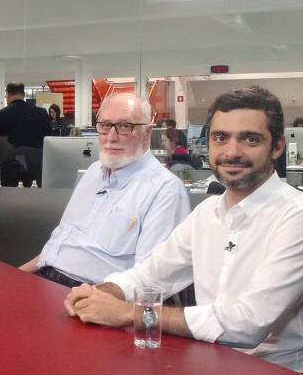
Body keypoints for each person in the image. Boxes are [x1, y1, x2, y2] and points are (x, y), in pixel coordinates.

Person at [64, 86, 303, 372]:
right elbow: (152, 274)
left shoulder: (294, 216)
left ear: (277, 146)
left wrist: (129, 313)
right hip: (208, 367)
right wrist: (101, 294)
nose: (232, 152)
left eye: (250, 139)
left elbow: (248, 324)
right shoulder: (206, 213)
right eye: (220, 138)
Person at [19, 93, 190, 286]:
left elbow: (149, 280)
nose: (111, 137)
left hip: (91, 294)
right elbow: (54, 249)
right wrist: (14, 277)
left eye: (125, 126)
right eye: (105, 125)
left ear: (147, 134)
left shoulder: (164, 189)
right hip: (44, 277)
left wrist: (87, 301)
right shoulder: (93, 172)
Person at [0, 82, 51, 187]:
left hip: (10, 167)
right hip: (37, 166)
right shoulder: (41, 112)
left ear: (7, 95)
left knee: (9, 199)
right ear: (23, 94)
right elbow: (49, 140)